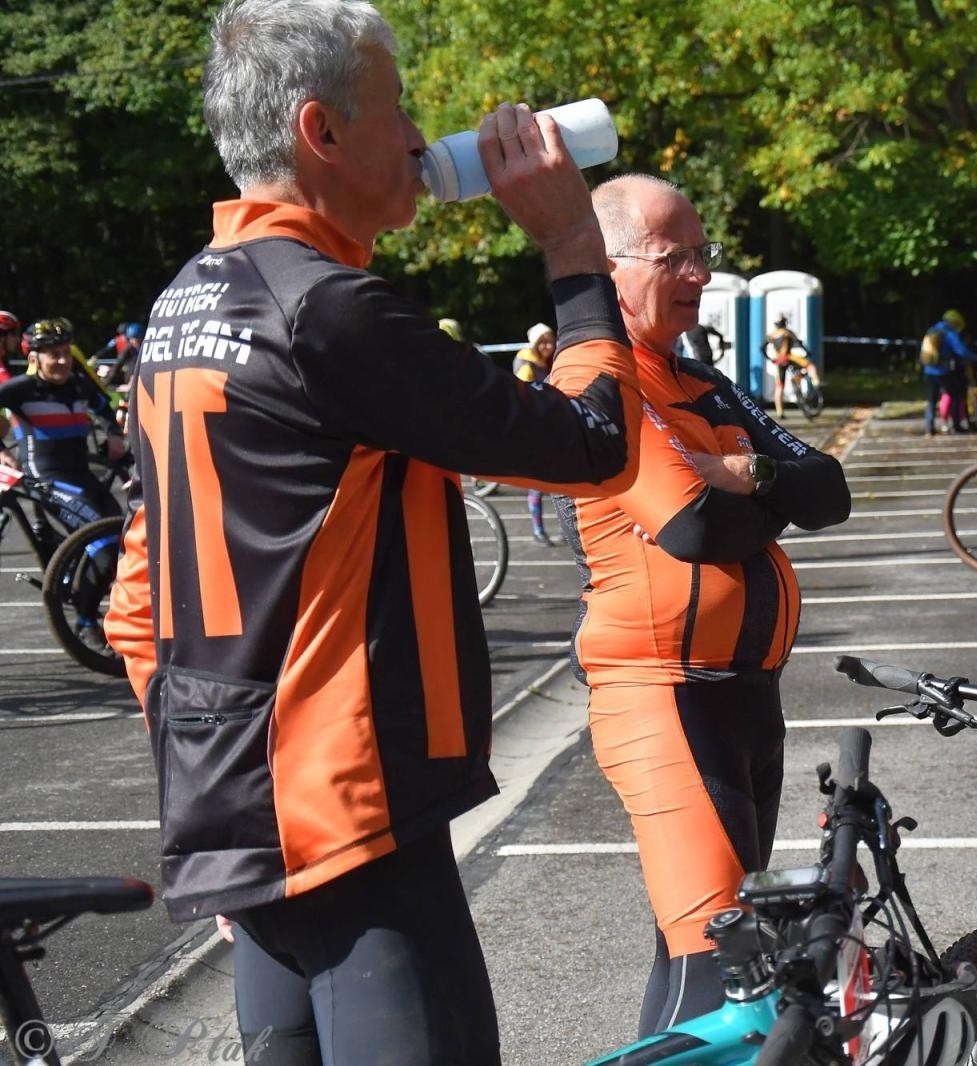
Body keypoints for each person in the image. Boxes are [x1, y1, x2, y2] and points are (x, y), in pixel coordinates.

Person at [102, 2, 643, 1063]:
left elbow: (136, 598)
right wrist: (573, 243)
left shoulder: (182, 303)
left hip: (249, 821)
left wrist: (225, 803)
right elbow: (593, 445)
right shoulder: (328, 309)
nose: (413, 137)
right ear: (322, 131)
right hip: (351, 819)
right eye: (396, 109)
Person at [571, 173, 850, 1037]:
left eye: (704, 254)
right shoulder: (601, 377)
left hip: (744, 698)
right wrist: (752, 499)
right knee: (720, 969)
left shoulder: (706, 384)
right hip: (666, 695)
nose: (697, 273)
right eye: (674, 256)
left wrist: (747, 475)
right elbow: (693, 526)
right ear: (607, 265)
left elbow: (829, 488)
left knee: (710, 957)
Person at [0, 319, 124, 646]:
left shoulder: (79, 384)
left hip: (83, 474)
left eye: (65, 352)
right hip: (46, 480)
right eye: (52, 354)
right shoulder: (21, 390)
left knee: (126, 536)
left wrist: (112, 433)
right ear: (34, 359)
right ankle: (86, 622)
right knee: (104, 544)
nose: (62, 360)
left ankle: (88, 586)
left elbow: (107, 409)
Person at [513, 322, 559, 545]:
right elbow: (521, 401)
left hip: (549, 427)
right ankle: (538, 530)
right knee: (538, 484)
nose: (548, 345)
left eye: (551, 340)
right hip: (534, 430)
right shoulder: (527, 366)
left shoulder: (547, 363)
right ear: (534, 344)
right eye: (543, 342)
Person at [920, 308, 977, 435]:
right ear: (954, 322)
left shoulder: (932, 330)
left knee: (931, 401)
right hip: (943, 371)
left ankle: (929, 429)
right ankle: (956, 426)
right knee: (956, 396)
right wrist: (976, 357)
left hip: (929, 370)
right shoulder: (949, 333)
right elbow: (961, 351)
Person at [763, 313, 815, 418]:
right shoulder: (787, 332)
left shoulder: (772, 335)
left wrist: (770, 359)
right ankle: (812, 383)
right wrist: (807, 352)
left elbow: (762, 348)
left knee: (779, 386)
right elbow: (799, 343)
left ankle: (779, 411)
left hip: (778, 361)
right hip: (789, 358)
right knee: (806, 366)